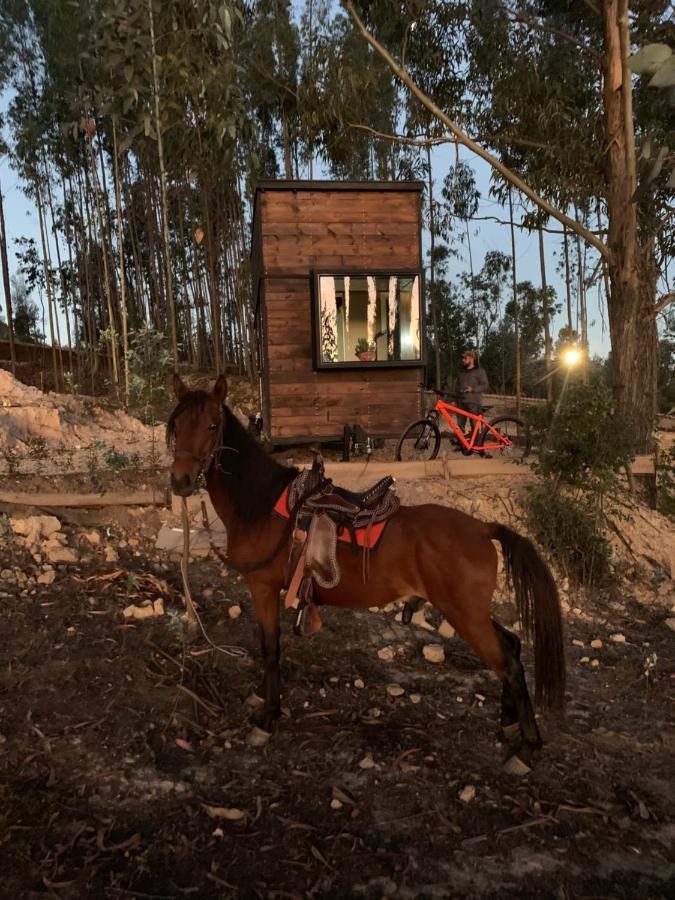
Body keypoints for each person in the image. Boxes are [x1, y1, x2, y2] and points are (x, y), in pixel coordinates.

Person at [446, 349, 489, 439]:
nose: (463, 360)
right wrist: (454, 400)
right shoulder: (461, 372)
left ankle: (476, 443)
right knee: (460, 424)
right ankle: (462, 442)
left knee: (474, 423)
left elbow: (485, 386)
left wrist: (473, 389)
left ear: (471, 358)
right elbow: (456, 386)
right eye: (463, 358)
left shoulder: (480, 371)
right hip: (460, 402)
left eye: (465, 358)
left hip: (474, 402)